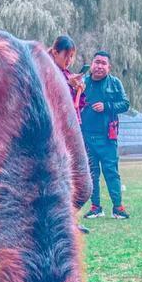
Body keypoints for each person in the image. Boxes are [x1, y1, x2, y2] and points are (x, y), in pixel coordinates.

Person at [80, 51, 130, 220]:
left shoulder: (115, 83)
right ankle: (95, 207)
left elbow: (125, 104)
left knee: (111, 172)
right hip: (86, 137)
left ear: (109, 67)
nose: (99, 66)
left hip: (108, 137)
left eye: (103, 63)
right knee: (92, 173)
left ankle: (118, 207)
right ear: (91, 64)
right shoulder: (83, 83)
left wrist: (107, 106)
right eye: (97, 62)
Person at [48, 34, 89, 233]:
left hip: (69, 132)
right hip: (53, 135)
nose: (69, 61)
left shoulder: (67, 74)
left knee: (72, 176)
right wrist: (67, 86)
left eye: (72, 57)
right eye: (66, 55)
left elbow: (77, 106)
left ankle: (68, 218)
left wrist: (80, 90)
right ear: (55, 52)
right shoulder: (46, 71)